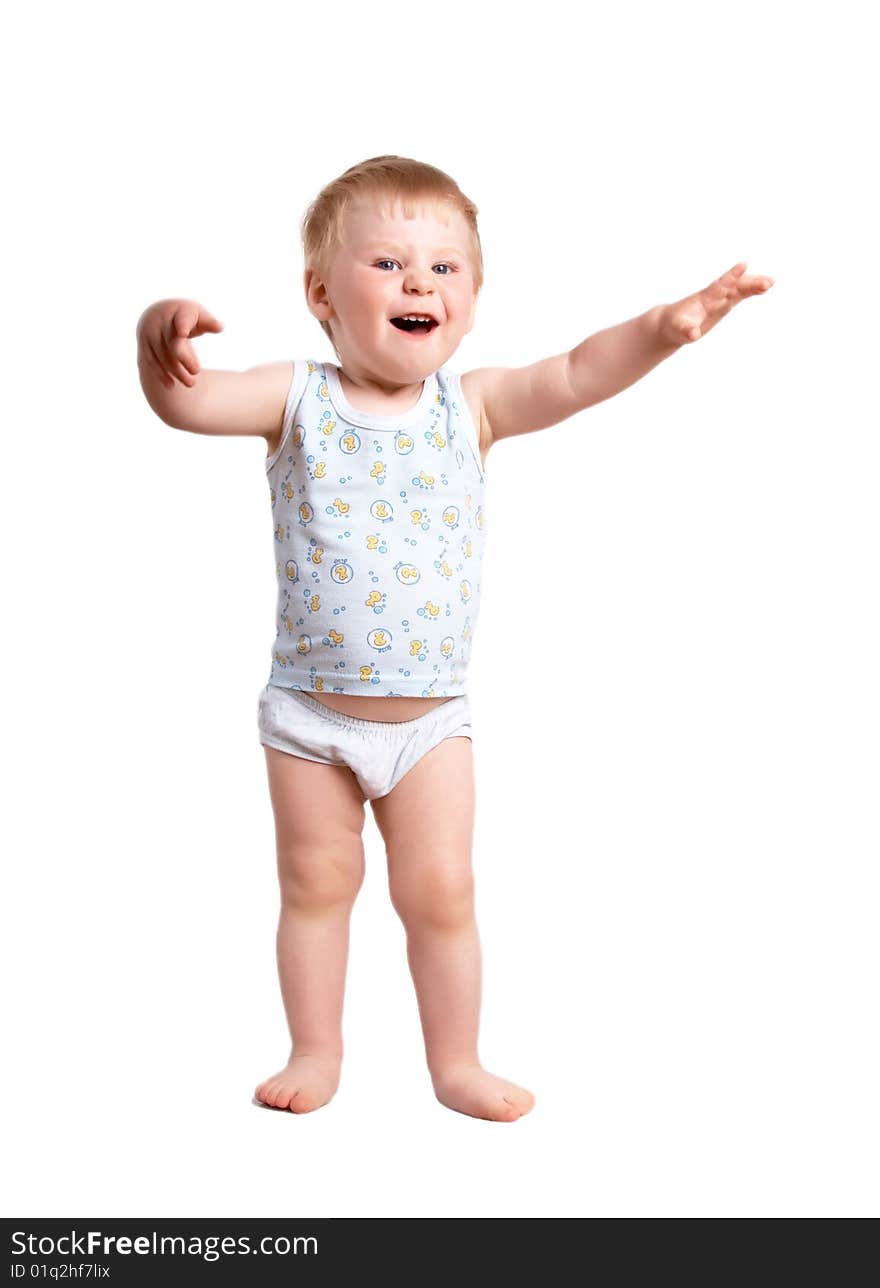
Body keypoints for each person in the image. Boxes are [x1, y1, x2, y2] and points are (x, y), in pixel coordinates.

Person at [135, 154, 774, 1122]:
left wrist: (662, 331)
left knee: (441, 895)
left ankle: (456, 1062)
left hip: (431, 721)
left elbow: (573, 372)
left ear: (471, 299)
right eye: (388, 263)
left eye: (444, 268)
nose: (418, 283)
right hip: (308, 712)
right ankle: (314, 1048)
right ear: (321, 293)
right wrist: (156, 341)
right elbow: (185, 402)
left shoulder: (468, 405)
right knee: (316, 883)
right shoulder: (292, 397)